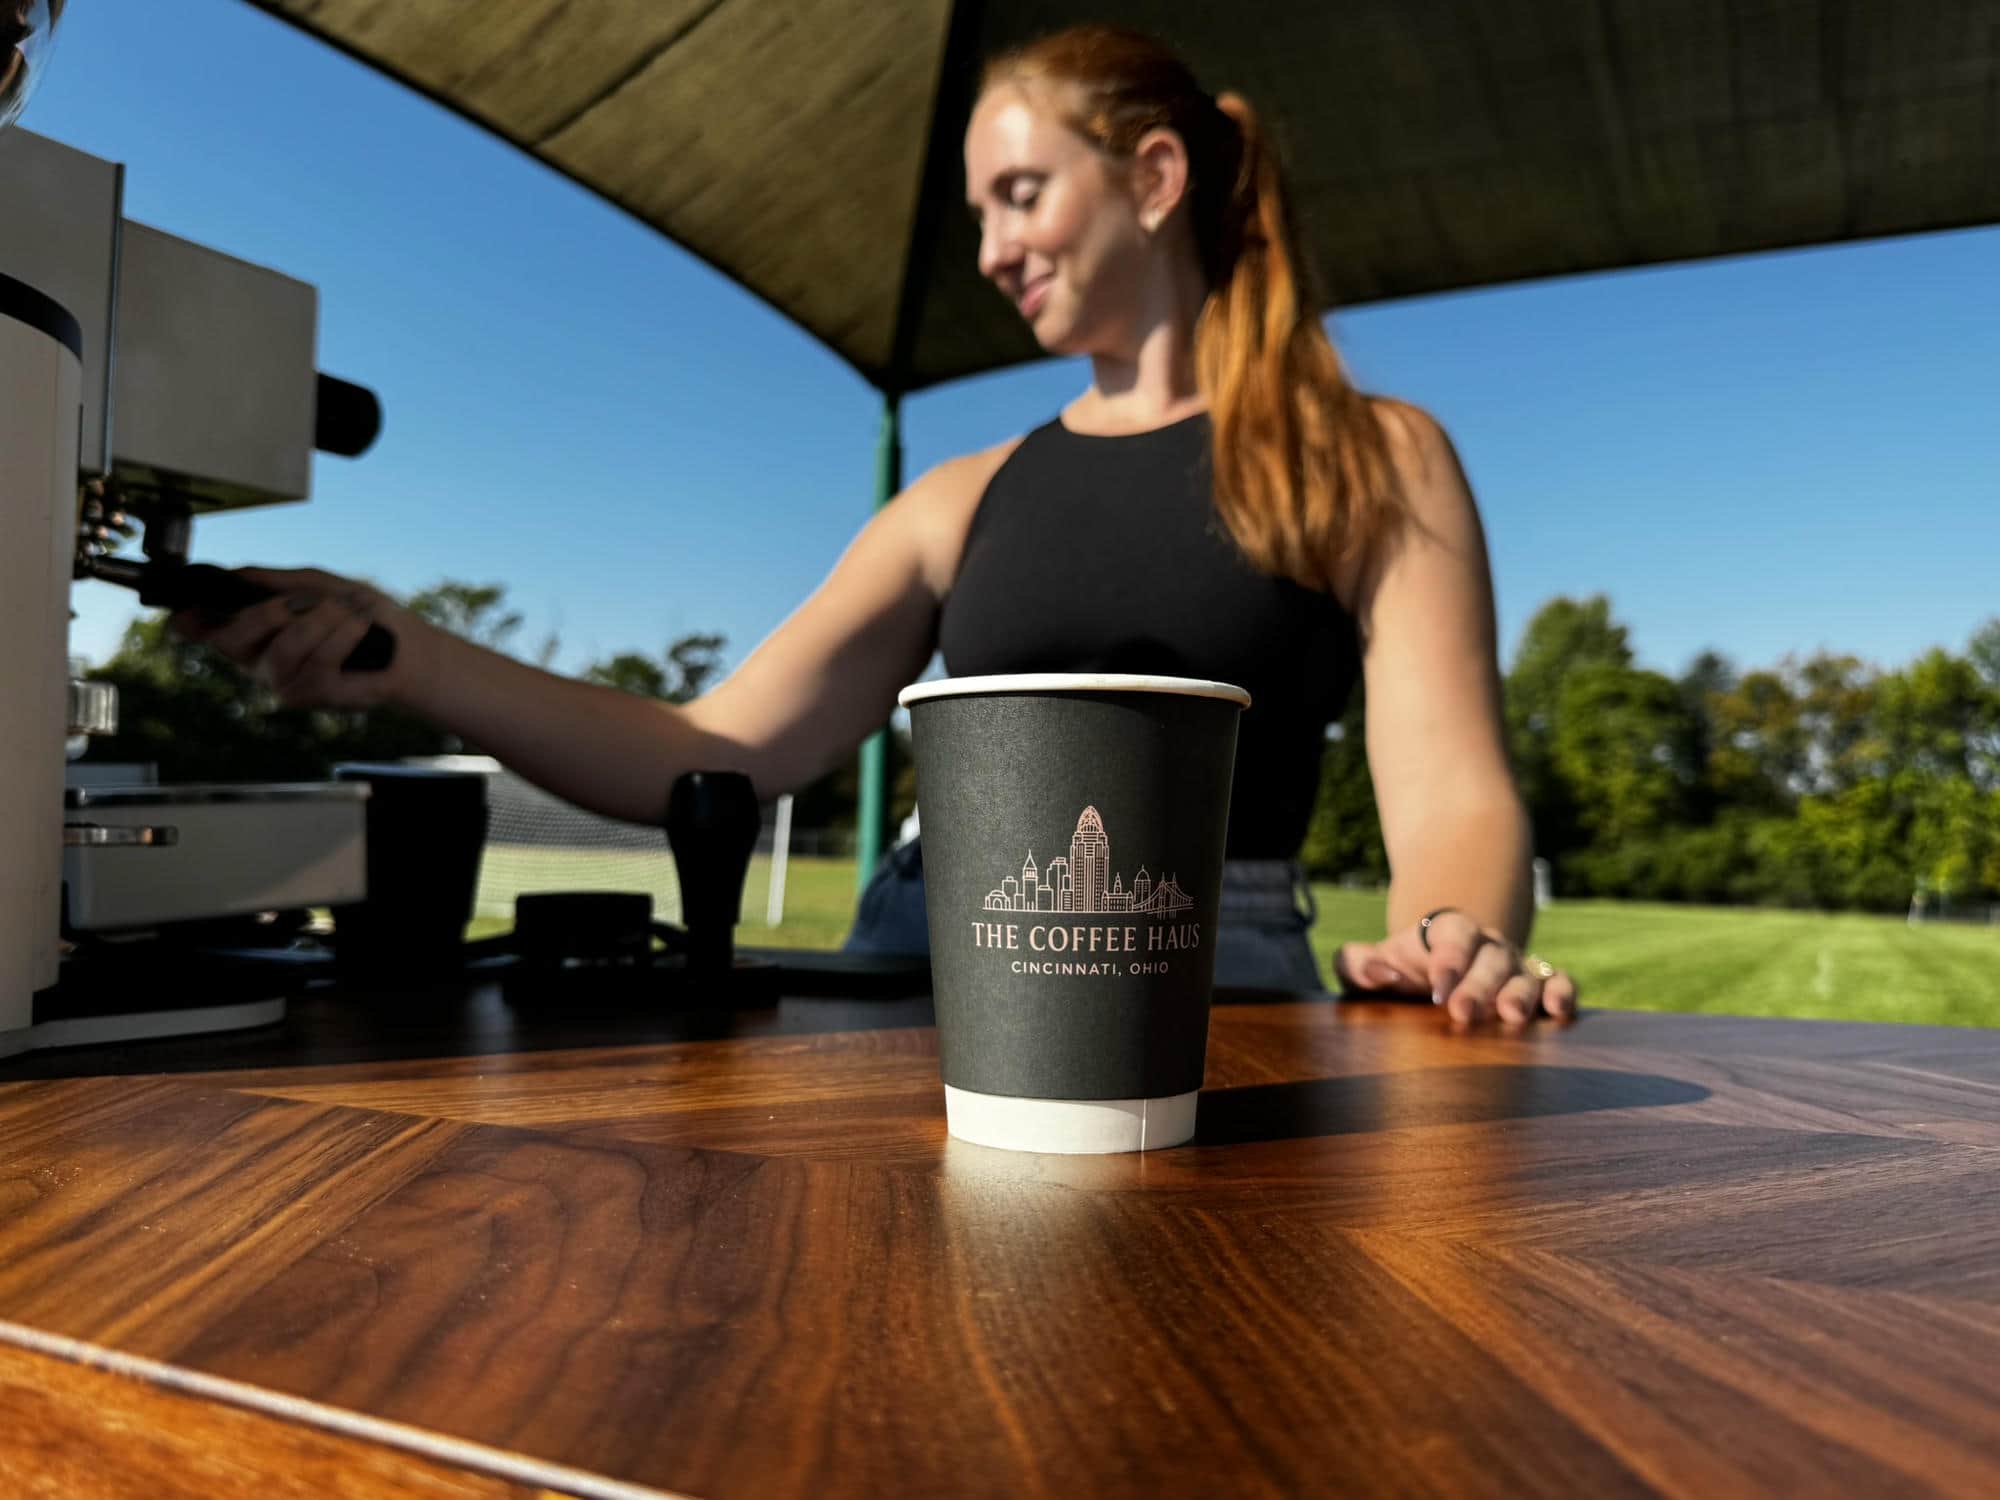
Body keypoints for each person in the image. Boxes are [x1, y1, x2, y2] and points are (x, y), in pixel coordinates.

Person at [176, 24, 1576, 1025]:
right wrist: (412, 656)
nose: (990, 251)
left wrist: (1453, 941)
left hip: (1224, 981)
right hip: (919, 969)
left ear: (1155, 180)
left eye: (1021, 195)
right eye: (978, 214)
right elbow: (717, 752)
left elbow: (1451, 790)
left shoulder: (1372, 458)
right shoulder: (955, 501)